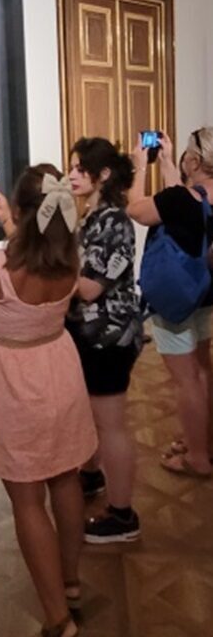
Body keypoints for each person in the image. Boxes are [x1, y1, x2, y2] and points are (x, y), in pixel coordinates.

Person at [0, 164, 97, 637]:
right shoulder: (70, 257)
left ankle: (57, 619)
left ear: (21, 207)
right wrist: (11, 222)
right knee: (66, 479)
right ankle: (70, 583)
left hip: (17, 381)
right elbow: (37, 244)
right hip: (59, 369)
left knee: (27, 497)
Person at [67, 138, 143, 543]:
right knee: (94, 415)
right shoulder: (92, 216)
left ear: (104, 174)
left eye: (80, 169)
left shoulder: (113, 220)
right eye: (72, 167)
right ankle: (91, 474)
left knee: (111, 424)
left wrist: (50, 272)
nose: (72, 175)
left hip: (109, 337)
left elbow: (90, 288)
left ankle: (123, 514)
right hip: (92, 335)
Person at [128, 129, 213, 478]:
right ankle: (203, 441)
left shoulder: (180, 200)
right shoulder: (191, 198)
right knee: (203, 369)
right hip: (205, 292)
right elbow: (185, 206)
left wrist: (139, 166)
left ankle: (197, 458)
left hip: (175, 298)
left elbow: (137, 209)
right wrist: (166, 162)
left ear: (194, 161)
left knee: (185, 378)